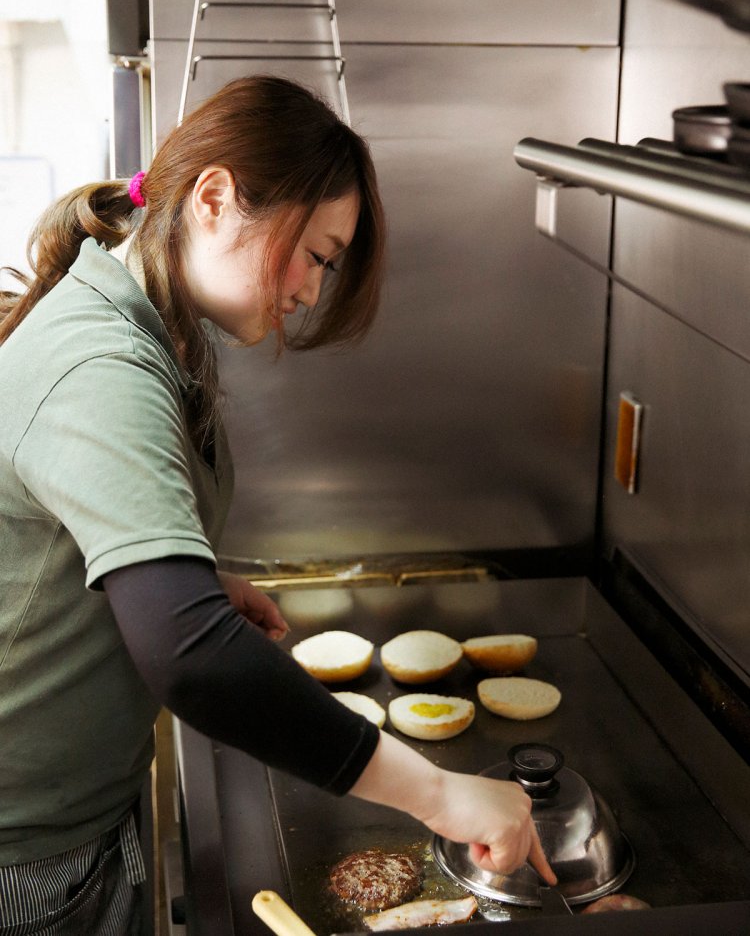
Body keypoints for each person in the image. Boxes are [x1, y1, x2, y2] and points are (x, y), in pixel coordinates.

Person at [0, 75, 555, 935]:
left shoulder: (143, 326)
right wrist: (441, 793)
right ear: (214, 197)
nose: (310, 290)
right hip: (24, 861)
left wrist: (190, 576)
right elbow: (192, 656)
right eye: (317, 254)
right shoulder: (100, 367)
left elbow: (69, 530)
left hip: (67, 824)